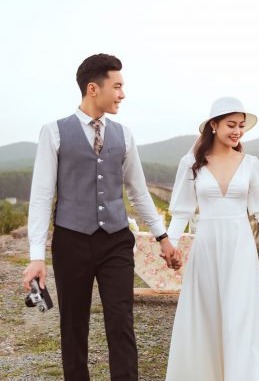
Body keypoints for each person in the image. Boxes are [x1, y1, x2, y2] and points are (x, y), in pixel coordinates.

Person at [22, 53, 180, 381]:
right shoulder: (53, 132)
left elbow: (138, 192)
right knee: (73, 326)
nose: (123, 94)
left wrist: (162, 237)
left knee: (121, 323)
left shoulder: (125, 134)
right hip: (71, 241)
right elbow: (41, 197)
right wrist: (37, 257)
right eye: (117, 86)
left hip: (116, 241)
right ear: (93, 88)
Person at [165, 97, 259, 381]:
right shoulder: (190, 163)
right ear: (214, 125)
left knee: (241, 318)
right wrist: (170, 245)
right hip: (206, 248)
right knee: (205, 317)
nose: (238, 131)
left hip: (240, 249)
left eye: (241, 125)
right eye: (231, 125)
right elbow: (181, 212)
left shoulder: (250, 164)